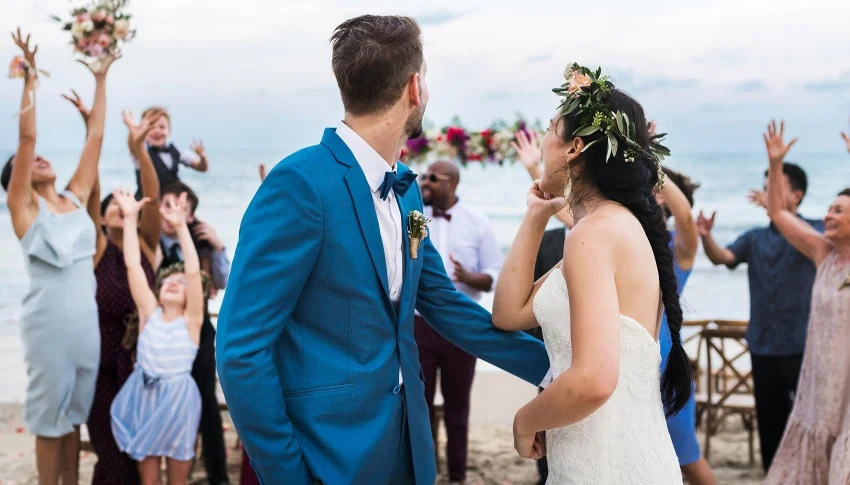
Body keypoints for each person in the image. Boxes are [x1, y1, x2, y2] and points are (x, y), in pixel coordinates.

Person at [215, 15, 550, 484]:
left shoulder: (407, 192)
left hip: (406, 443)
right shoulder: (299, 184)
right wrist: (286, 474)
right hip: (326, 454)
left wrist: (553, 367)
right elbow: (239, 350)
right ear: (414, 88)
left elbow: (444, 305)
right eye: (426, 77)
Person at [491, 64, 690, 484]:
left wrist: (524, 420)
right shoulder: (604, 228)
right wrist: (536, 215)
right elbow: (509, 313)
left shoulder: (593, 235)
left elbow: (595, 380)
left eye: (549, 129)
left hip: (607, 466)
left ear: (574, 148)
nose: (541, 141)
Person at [2, 29, 116, 485]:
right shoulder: (26, 210)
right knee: (49, 424)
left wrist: (101, 77)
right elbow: (27, 137)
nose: (39, 158)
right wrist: (30, 77)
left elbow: (98, 136)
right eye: (28, 163)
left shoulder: (76, 195)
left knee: (73, 420)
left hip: (84, 329)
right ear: (20, 179)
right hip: (46, 329)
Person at [696, 160, 821, 472]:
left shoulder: (815, 231)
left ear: (797, 195)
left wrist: (780, 213)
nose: (768, 194)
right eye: (767, 188)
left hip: (802, 347)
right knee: (769, 422)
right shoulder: (753, 238)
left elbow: (812, 244)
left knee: (803, 422)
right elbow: (723, 257)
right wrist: (705, 237)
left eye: (776, 189)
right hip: (763, 346)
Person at [760, 121, 850, 484]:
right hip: (822, 382)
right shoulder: (822, 254)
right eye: (829, 208)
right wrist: (776, 163)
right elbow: (778, 213)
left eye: (839, 211)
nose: (828, 215)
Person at [83, 108, 163, 485]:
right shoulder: (97, 250)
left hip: (144, 369)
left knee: (140, 456)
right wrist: (92, 131)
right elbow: (90, 189)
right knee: (111, 456)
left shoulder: (145, 245)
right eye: (111, 203)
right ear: (100, 219)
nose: (119, 205)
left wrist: (140, 148)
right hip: (100, 370)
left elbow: (153, 190)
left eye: (124, 201)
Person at [415, 160, 502, 484]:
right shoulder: (414, 218)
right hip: (419, 325)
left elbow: (494, 275)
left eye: (432, 178)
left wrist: (468, 276)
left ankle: (457, 476)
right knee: (418, 408)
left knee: (458, 411)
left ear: (452, 183)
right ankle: (422, 473)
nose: (424, 182)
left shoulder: (477, 223)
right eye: (423, 176)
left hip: (461, 329)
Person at [109, 189, 204, 485]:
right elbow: (133, 265)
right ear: (157, 291)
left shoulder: (192, 322)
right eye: (167, 281)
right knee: (148, 481)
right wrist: (129, 220)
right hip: (145, 398)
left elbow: (192, 271)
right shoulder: (149, 314)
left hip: (179, 402)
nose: (174, 283)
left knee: (177, 480)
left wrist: (180, 227)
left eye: (180, 283)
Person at [157, 182, 231, 485]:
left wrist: (218, 247)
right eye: (167, 204)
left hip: (199, 331)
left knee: (207, 406)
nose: (173, 212)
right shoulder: (151, 240)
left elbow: (223, 282)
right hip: (160, 334)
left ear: (190, 215)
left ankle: (218, 475)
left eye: (181, 207)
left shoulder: (200, 242)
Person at [513, 127, 572, 485]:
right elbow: (510, 312)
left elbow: (580, 220)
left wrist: (535, 173)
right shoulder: (559, 239)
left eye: (555, 130)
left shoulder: (606, 231)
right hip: (548, 352)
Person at [654, 164, 717, 484]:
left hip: (667, 361)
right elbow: (575, 218)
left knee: (687, 457)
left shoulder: (680, 245)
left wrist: (646, 159)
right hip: (632, 352)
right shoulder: (635, 236)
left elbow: (686, 217)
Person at [131, 106, 209, 198]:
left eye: (162, 127)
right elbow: (133, 145)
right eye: (151, 127)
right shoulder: (141, 150)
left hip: (171, 202)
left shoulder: (176, 151)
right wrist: (132, 129)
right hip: (147, 202)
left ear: (169, 130)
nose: (157, 131)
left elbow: (202, 167)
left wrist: (203, 157)